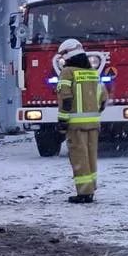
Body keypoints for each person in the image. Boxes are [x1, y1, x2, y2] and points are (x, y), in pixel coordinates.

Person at [56, 38, 105, 203]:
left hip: (76, 125)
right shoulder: (92, 73)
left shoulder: (67, 72)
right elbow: (103, 99)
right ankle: (91, 188)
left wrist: (62, 119)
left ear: (68, 54)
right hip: (93, 124)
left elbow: (66, 98)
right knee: (91, 157)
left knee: (79, 158)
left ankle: (84, 193)